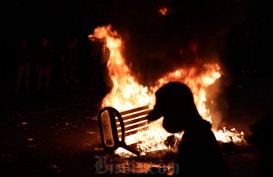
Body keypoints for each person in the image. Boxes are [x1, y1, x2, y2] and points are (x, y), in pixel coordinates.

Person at [146, 82, 232, 177]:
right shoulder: (198, 132)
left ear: (178, 110)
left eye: (166, 114)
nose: (165, 120)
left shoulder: (196, 140)